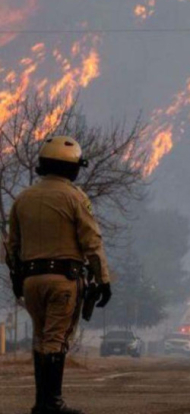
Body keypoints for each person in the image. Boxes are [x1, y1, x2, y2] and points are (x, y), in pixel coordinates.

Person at [6, 136, 112, 414]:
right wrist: (104, 280)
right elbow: (92, 242)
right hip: (64, 281)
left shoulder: (23, 198)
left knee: (41, 338)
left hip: (31, 282)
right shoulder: (75, 197)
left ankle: (42, 401)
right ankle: (51, 403)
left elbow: (12, 246)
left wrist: (18, 279)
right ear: (71, 168)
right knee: (56, 339)